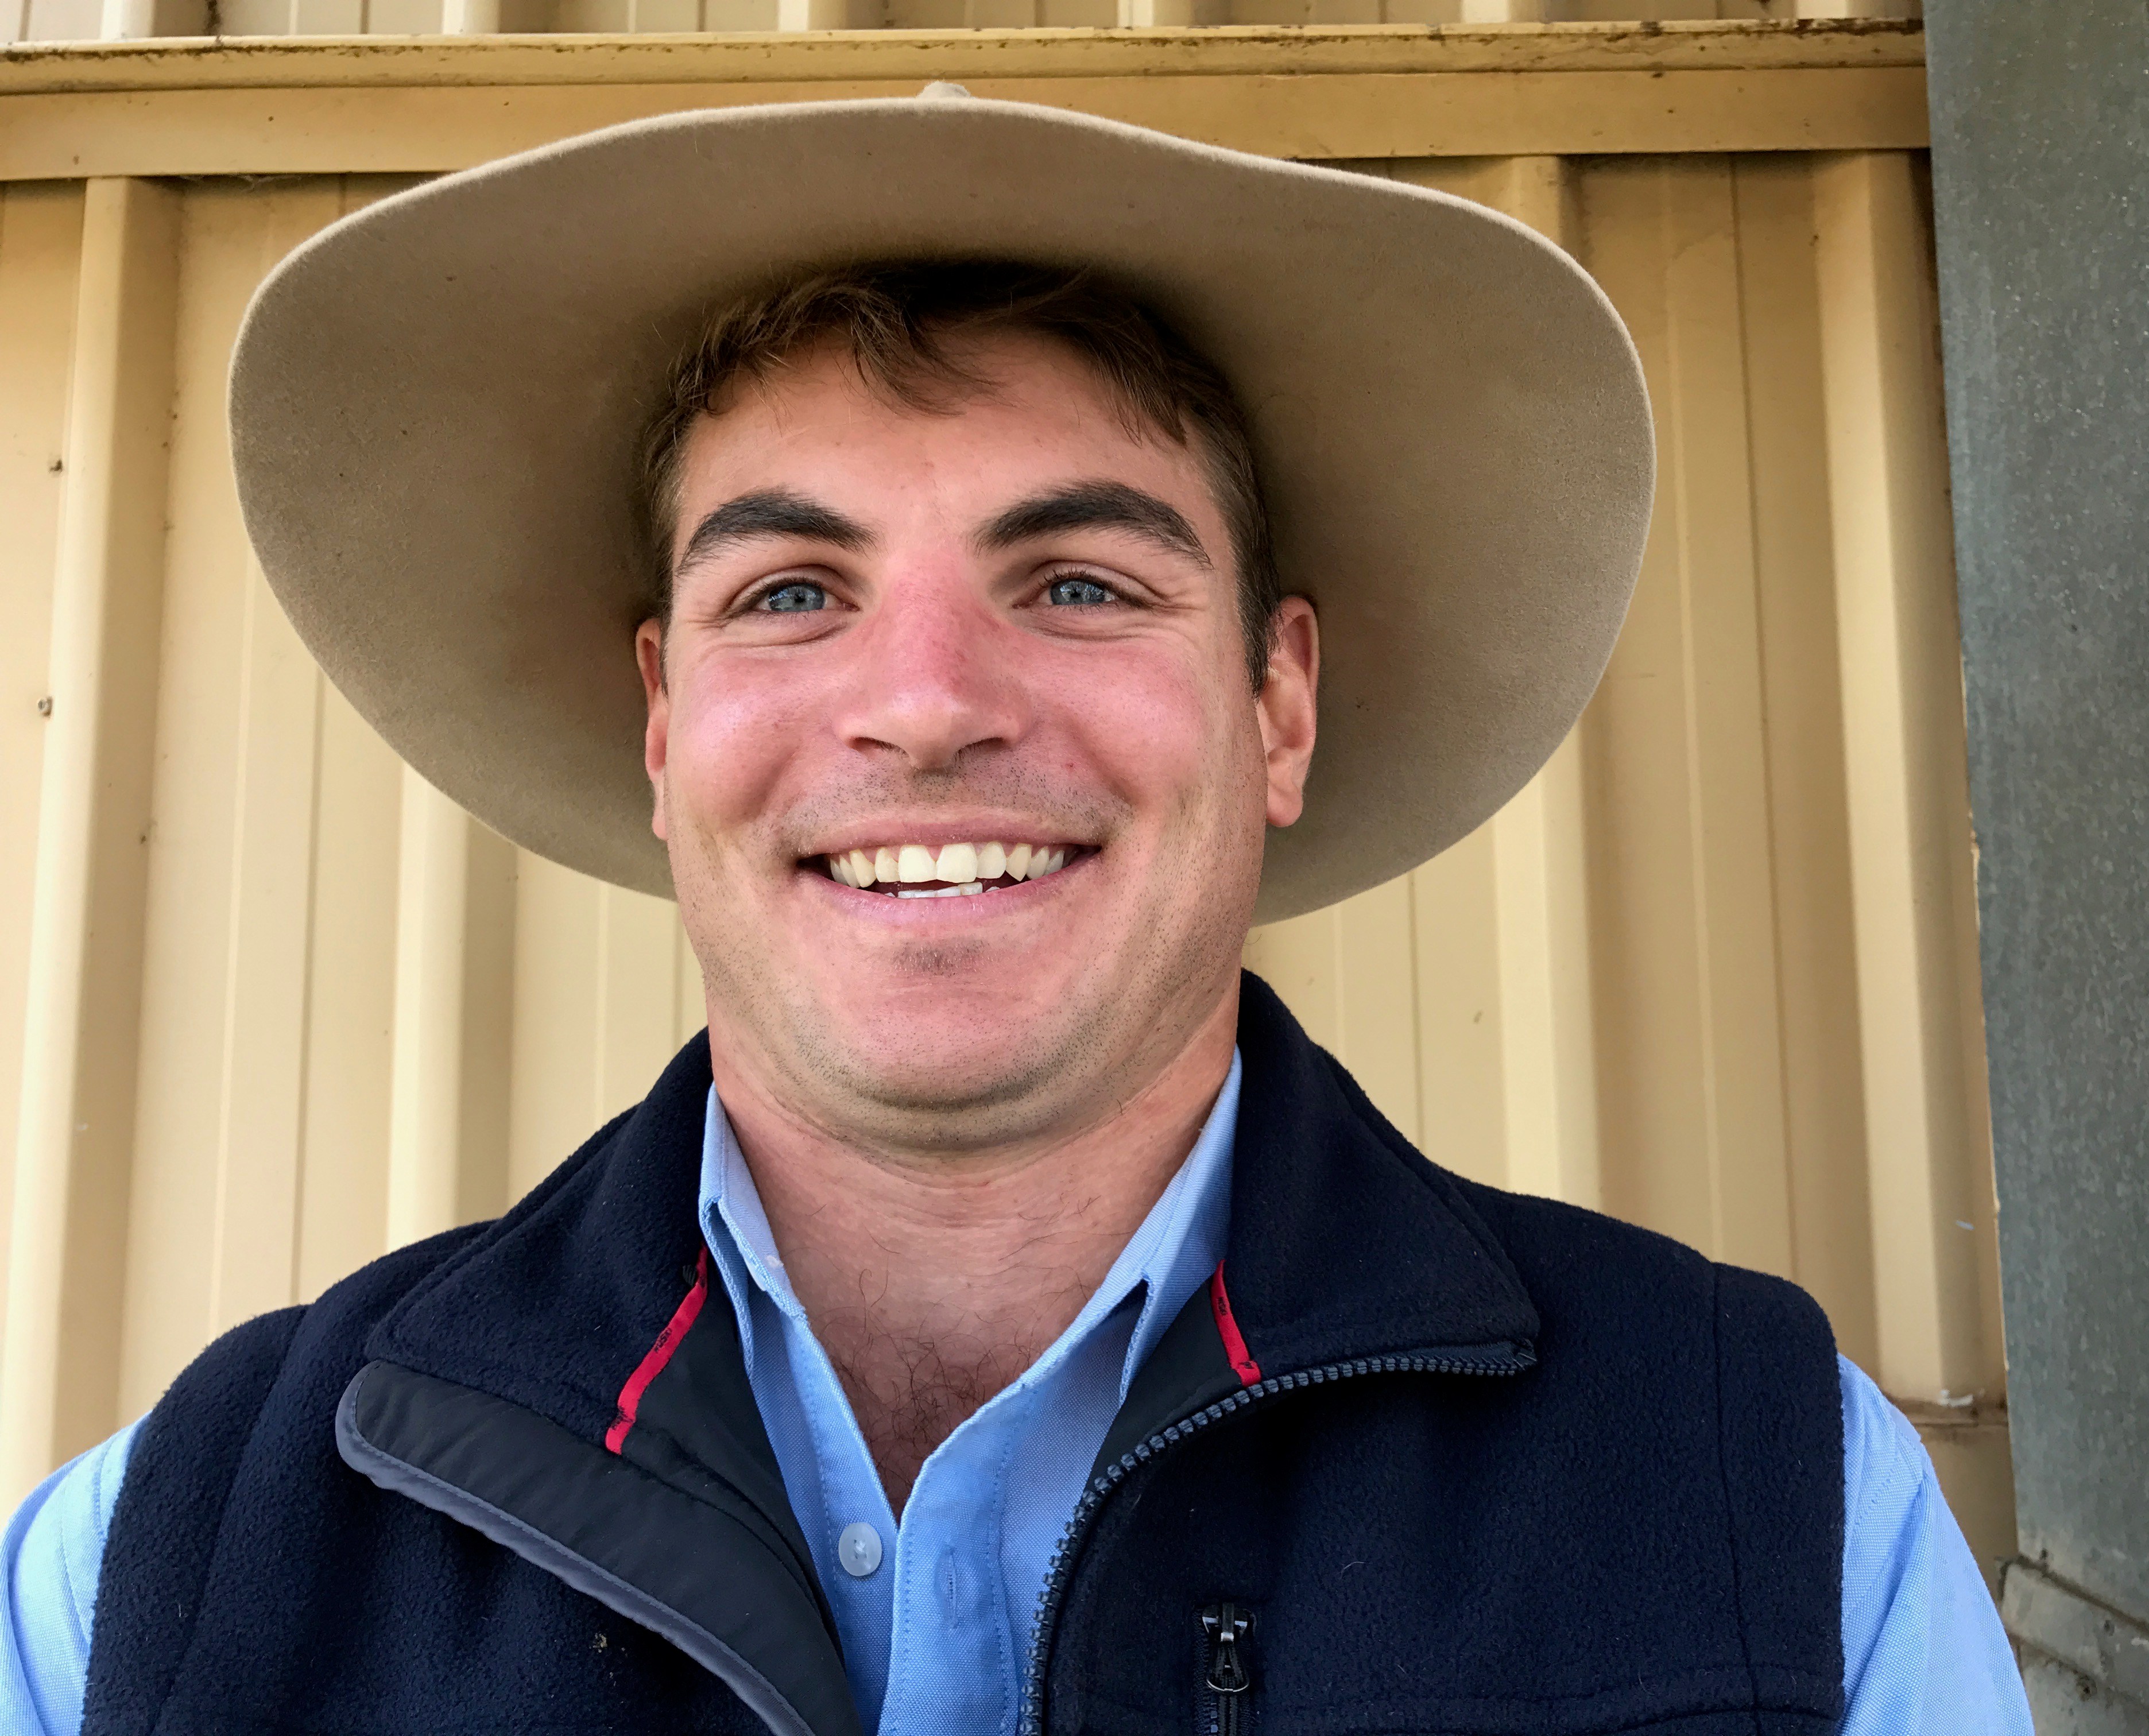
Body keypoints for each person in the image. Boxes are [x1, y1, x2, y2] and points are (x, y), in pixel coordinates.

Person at [1, 91, 2028, 1735]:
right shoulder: (165, 1571)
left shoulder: (1765, 1503)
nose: (927, 705)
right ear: (662, 717)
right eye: (791, 593)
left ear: (1277, 706)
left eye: (1079, 581)